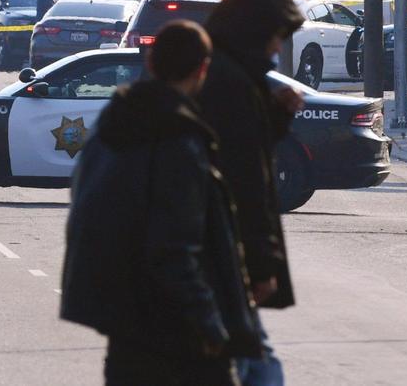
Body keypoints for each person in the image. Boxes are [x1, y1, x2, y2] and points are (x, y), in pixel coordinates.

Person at [61, 21, 260, 386]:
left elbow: (87, 205)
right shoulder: (178, 140)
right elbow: (174, 250)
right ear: (202, 69)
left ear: (150, 64)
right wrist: (211, 326)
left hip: (125, 329)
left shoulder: (112, 127)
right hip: (182, 341)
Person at [199, 0, 305, 386]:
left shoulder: (225, 73)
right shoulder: (232, 83)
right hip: (221, 252)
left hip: (209, 253)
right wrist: (259, 267)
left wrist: (275, 116)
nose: (278, 46)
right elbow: (245, 181)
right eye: (276, 35)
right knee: (256, 365)